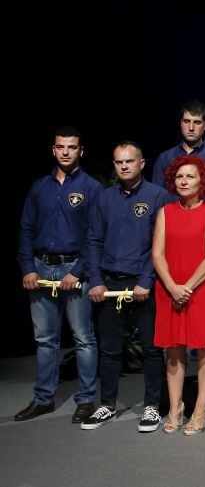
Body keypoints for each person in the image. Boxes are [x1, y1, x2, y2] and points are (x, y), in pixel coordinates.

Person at [82, 141, 173, 432]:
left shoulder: (158, 196)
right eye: (118, 162)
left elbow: (160, 244)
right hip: (109, 282)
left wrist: (146, 280)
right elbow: (93, 240)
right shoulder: (103, 198)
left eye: (129, 161)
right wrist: (95, 280)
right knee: (109, 349)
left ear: (142, 163)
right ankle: (107, 405)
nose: (123, 166)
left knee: (150, 348)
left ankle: (151, 407)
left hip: (144, 283)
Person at [15, 127, 102, 424]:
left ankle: (86, 399)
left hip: (74, 267)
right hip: (41, 268)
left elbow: (95, 236)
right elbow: (26, 229)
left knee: (83, 338)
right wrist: (28, 267)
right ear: (53, 150)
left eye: (72, 147)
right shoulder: (39, 187)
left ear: (81, 151)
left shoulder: (92, 188)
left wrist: (77, 272)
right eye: (61, 147)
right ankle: (43, 399)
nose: (66, 152)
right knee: (45, 339)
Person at [152, 155, 205, 435]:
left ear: (202, 181)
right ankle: (175, 408)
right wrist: (172, 286)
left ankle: (200, 409)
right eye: (180, 177)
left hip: (201, 289)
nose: (184, 181)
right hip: (170, 289)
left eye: (190, 176)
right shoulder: (165, 212)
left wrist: (187, 287)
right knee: (174, 349)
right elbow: (157, 254)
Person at [150, 100, 205, 203]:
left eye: (197, 122)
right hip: (171, 217)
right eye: (187, 121)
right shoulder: (165, 158)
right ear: (181, 123)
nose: (191, 128)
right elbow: (157, 197)